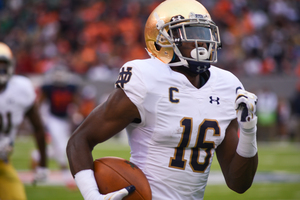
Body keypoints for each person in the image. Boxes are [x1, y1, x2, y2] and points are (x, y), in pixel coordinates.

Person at [67, 0, 259, 199]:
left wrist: (248, 130)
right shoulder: (146, 79)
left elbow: (239, 184)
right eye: (191, 34)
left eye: (204, 33)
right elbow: (79, 140)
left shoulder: (227, 85)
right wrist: (91, 195)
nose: (202, 42)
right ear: (163, 40)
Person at [0, 42, 48, 200]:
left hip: (3, 163)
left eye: (2, 64)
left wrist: (43, 164)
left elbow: (38, 128)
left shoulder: (21, 88)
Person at [31, 65, 80, 187]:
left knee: (60, 146)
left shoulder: (70, 88)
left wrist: (76, 112)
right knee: (62, 147)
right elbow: (40, 102)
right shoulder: (49, 88)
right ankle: (65, 175)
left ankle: (37, 155)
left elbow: (75, 101)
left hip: (64, 120)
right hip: (53, 119)